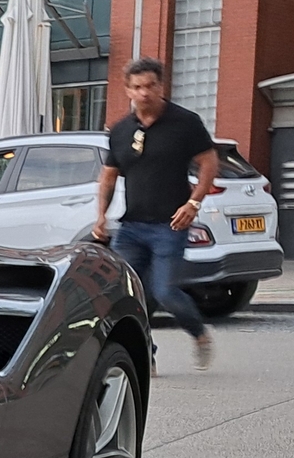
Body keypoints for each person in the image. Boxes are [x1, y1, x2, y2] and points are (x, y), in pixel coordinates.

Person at [94, 56, 221, 369]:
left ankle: (199, 333)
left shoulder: (185, 122)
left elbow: (209, 162)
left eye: (151, 85)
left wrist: (193, 203)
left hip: (170, 225)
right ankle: (145, 354)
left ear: (161, 86)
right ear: (128, 91)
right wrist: (101, 216)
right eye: (137, 87)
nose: (144, 92)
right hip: (132, 227)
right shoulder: (122, 130)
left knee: (163, 291)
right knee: (128, 297)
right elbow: (109, 174)